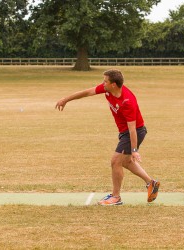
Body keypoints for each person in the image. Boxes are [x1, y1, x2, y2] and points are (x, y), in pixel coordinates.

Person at [55, 69, 160, 205]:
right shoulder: (107, 89)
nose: (102, 84)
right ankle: (151, 183)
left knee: (115, 161)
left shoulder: (128, 101)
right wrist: (66, 99)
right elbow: (87, 92)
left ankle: (116, 197)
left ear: (113, 84)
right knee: (126, 162)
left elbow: (132, 128)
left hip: (133, 132)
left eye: (105, 81)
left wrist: (134, 150)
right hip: (125, 132)